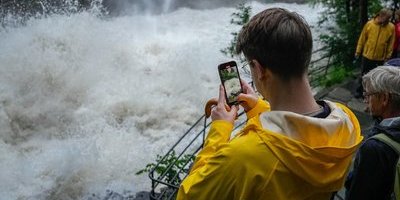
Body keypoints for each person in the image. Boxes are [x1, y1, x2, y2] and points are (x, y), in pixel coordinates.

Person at [177, 8, 363, 200]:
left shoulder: (244, 157)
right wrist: (259, 109)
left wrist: (220, 128)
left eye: (249, 67)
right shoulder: (346, 121)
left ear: (258, 70)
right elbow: (303, 130)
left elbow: (188, 195)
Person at [345, 65, 400, 200]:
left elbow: (359, 193)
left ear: (384, 99)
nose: (366, 101)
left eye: (368, 95)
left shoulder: (375, 149)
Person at [354, 8, 395, 98]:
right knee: (363, 74)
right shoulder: (370, 24)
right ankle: (359, 91)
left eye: (389, 18)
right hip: (367, 55)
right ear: (380, 15)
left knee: (374, 77)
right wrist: (358, 51)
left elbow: (391, 43)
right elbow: (362, 38)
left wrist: (388, 56)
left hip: (380, 57)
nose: (388, 20)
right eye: (386, 18)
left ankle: (369, 94)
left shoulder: (391, 27)